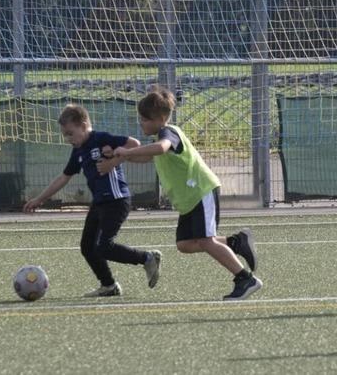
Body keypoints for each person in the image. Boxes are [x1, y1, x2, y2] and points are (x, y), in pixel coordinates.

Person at [98, 86, 261, 300]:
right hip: (189, 199)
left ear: (161, 118)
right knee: (184, 244)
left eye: (145, 119)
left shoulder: (169, 133)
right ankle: (235, 243)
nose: (141, 123)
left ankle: (245, 278)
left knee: (206, 239)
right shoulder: (159, 136)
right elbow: (146, 156)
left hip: (201, 190)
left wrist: (127, 151)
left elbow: (161, 148)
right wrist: (118, 159)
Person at [24, 104, 162, 297]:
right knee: (87, 247)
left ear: (83, 125)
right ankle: (109, 285)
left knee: (104, 246)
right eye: (65, 135)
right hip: (100, 203)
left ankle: (147, 258)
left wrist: (114, 159)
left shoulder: (101, 139)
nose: (68, 139)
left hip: (116, 200)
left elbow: (135, 145)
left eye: (70, 134)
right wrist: (39, 199)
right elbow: (64, 177)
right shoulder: (78, 151)